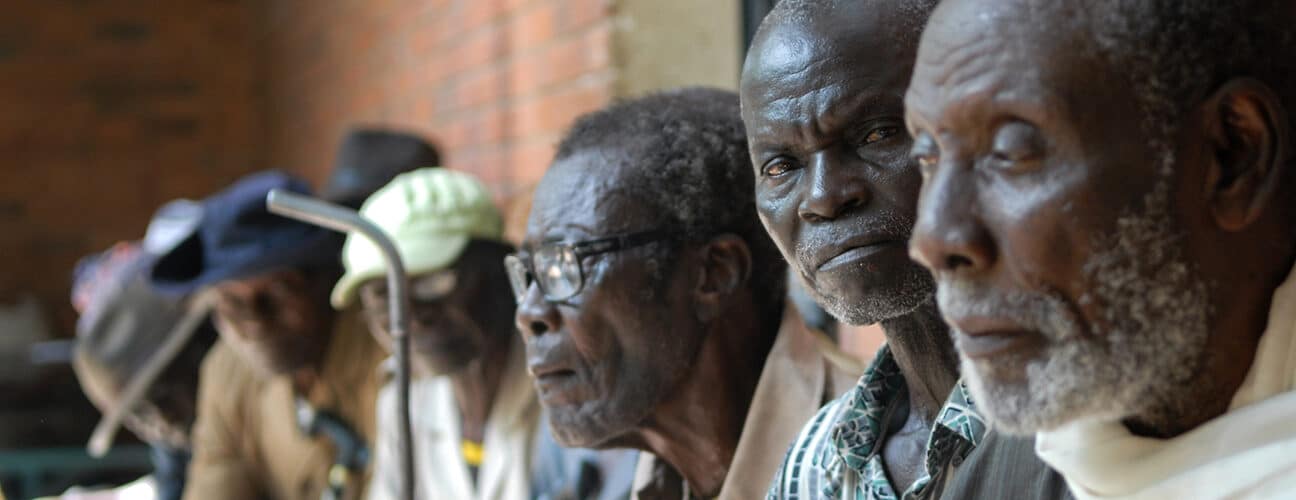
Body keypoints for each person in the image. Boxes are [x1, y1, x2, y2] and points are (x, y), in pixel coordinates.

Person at [905, 0, 1296, 497]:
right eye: (928, 156)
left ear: (1232, 154)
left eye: (1010, 152)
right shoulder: (1006, 477)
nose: (934, 239)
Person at [740, 1, 1069, 498]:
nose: (824, 198)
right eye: (782, 166)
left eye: (878, 133)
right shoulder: (812, 467)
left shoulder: (1092, 411)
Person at [511, 87, 860, 499]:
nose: (529, 312)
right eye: (530, 272)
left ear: (713, 274)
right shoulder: (655, 482)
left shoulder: (869, 459)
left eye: (565, 264)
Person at [152, 171, 385, 500]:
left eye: (278, 293)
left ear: (323, 284)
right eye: (232, 303)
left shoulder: (385, 354)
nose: (256, 322)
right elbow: (215, 481)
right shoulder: (226, 372)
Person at [332, 168, 535, 500]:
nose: (410, 318)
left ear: (497, 269)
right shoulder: (402, 400)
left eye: (432, 283)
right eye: (383, 295)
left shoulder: (560, 383)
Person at [70, 198, 217, 500]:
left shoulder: (240, 385)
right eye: (140, 416)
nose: (162, 421)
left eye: (161, 395)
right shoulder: (172, 429)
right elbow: (173, 484)